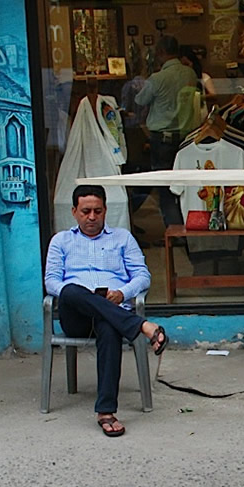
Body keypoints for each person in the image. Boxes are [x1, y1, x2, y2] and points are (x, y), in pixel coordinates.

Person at [44, 184, 169, 437]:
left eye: (97, 211)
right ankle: (141, 326)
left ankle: (106, 411)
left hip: (112, 310)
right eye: (85, 211)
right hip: (76, 315)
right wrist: (87, 297)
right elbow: (51, 282)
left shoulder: (123, 238)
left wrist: (122, 293)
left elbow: (143, 276)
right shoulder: (61, 241)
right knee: (70, 290)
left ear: (105, 211)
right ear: (74, 211)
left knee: (110, 329)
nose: (92, 217)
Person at [135, 35, 198, 227]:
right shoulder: (190, 74)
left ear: (161, 53)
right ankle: (189, 223)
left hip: (162, 138)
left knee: (166, 187)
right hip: (186, 137)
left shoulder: (158, 78)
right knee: (186, 184)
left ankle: (175, 229)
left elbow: (140, 100)